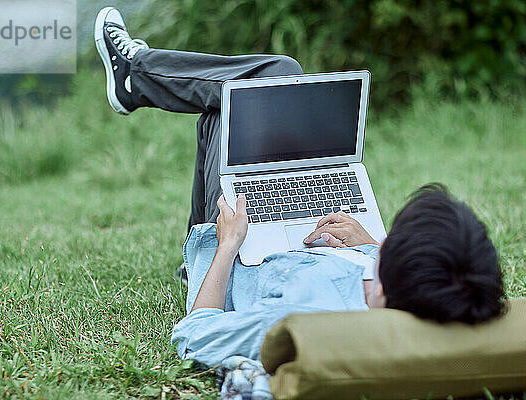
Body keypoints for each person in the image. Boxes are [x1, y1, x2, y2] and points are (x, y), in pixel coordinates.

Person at [94, 7, 506, 368]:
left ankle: (136, 77)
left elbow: (195, 339)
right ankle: (137, 80)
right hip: (289, 250)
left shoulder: (302, 319)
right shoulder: (401, 289)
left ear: (386, 286)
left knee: (256, 88)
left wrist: (226, 246)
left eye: (391, 245)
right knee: (235, 106)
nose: (384, 244)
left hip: (234, 249)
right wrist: (371, 248)